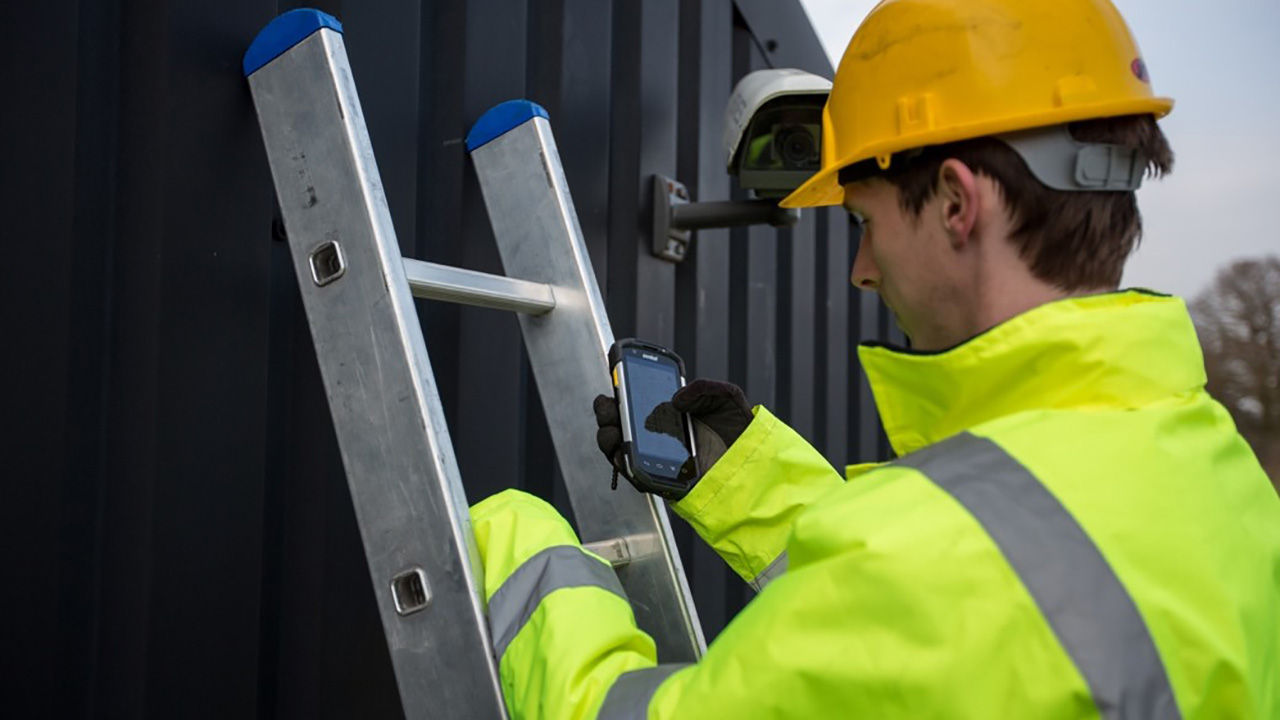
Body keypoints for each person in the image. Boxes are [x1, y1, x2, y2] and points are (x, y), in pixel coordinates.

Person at [468, 0, 1280, 717]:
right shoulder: (1219, 473)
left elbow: (927, 585)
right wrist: (744, 476)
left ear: (957, 203)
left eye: (865, 221)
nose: (861, 268)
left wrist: (522, 555)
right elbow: (1015, 571)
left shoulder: (918, 566)